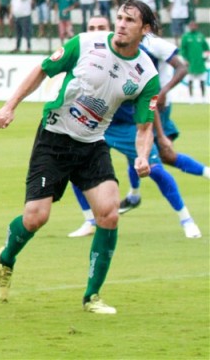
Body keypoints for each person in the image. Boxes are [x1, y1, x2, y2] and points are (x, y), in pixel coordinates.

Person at [0, 0, 161, 315]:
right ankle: (6, 258)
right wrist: (9, 105)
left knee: (109, 214)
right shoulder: (85, 43)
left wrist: (142, 156)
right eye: (120, 17)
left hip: (92, 145)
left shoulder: (146, 74)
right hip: (53, 139)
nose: (121, 24)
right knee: (36, 218)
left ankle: (92, 296)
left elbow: (144, 126)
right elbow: (43, 69)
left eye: (130, 20)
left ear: (145, 29)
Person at [66, 16, 202, 239]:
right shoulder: (81, 52)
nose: (95, 31)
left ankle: (186, 219)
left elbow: (149, 102)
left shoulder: (134, 59)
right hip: (96, 125)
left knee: (155, 169)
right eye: (91, 27)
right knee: (74, 169)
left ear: (110, 30)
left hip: (127, 126)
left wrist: (160, 135)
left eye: (101, 27)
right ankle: (90, 220)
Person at [180, 21, 209, 101]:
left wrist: (205, 56)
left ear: (197, 26)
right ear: (189, 26)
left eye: (194, 25)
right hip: (190, 63)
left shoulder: (201, 36)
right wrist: (185, 59)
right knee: (190, 81)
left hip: (200, 63)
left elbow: (206, 48)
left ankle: (203, 97)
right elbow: (182, 49)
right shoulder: (186, 37)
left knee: (202, 81)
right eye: (191, 25)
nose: (192, 27)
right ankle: (191, 97)